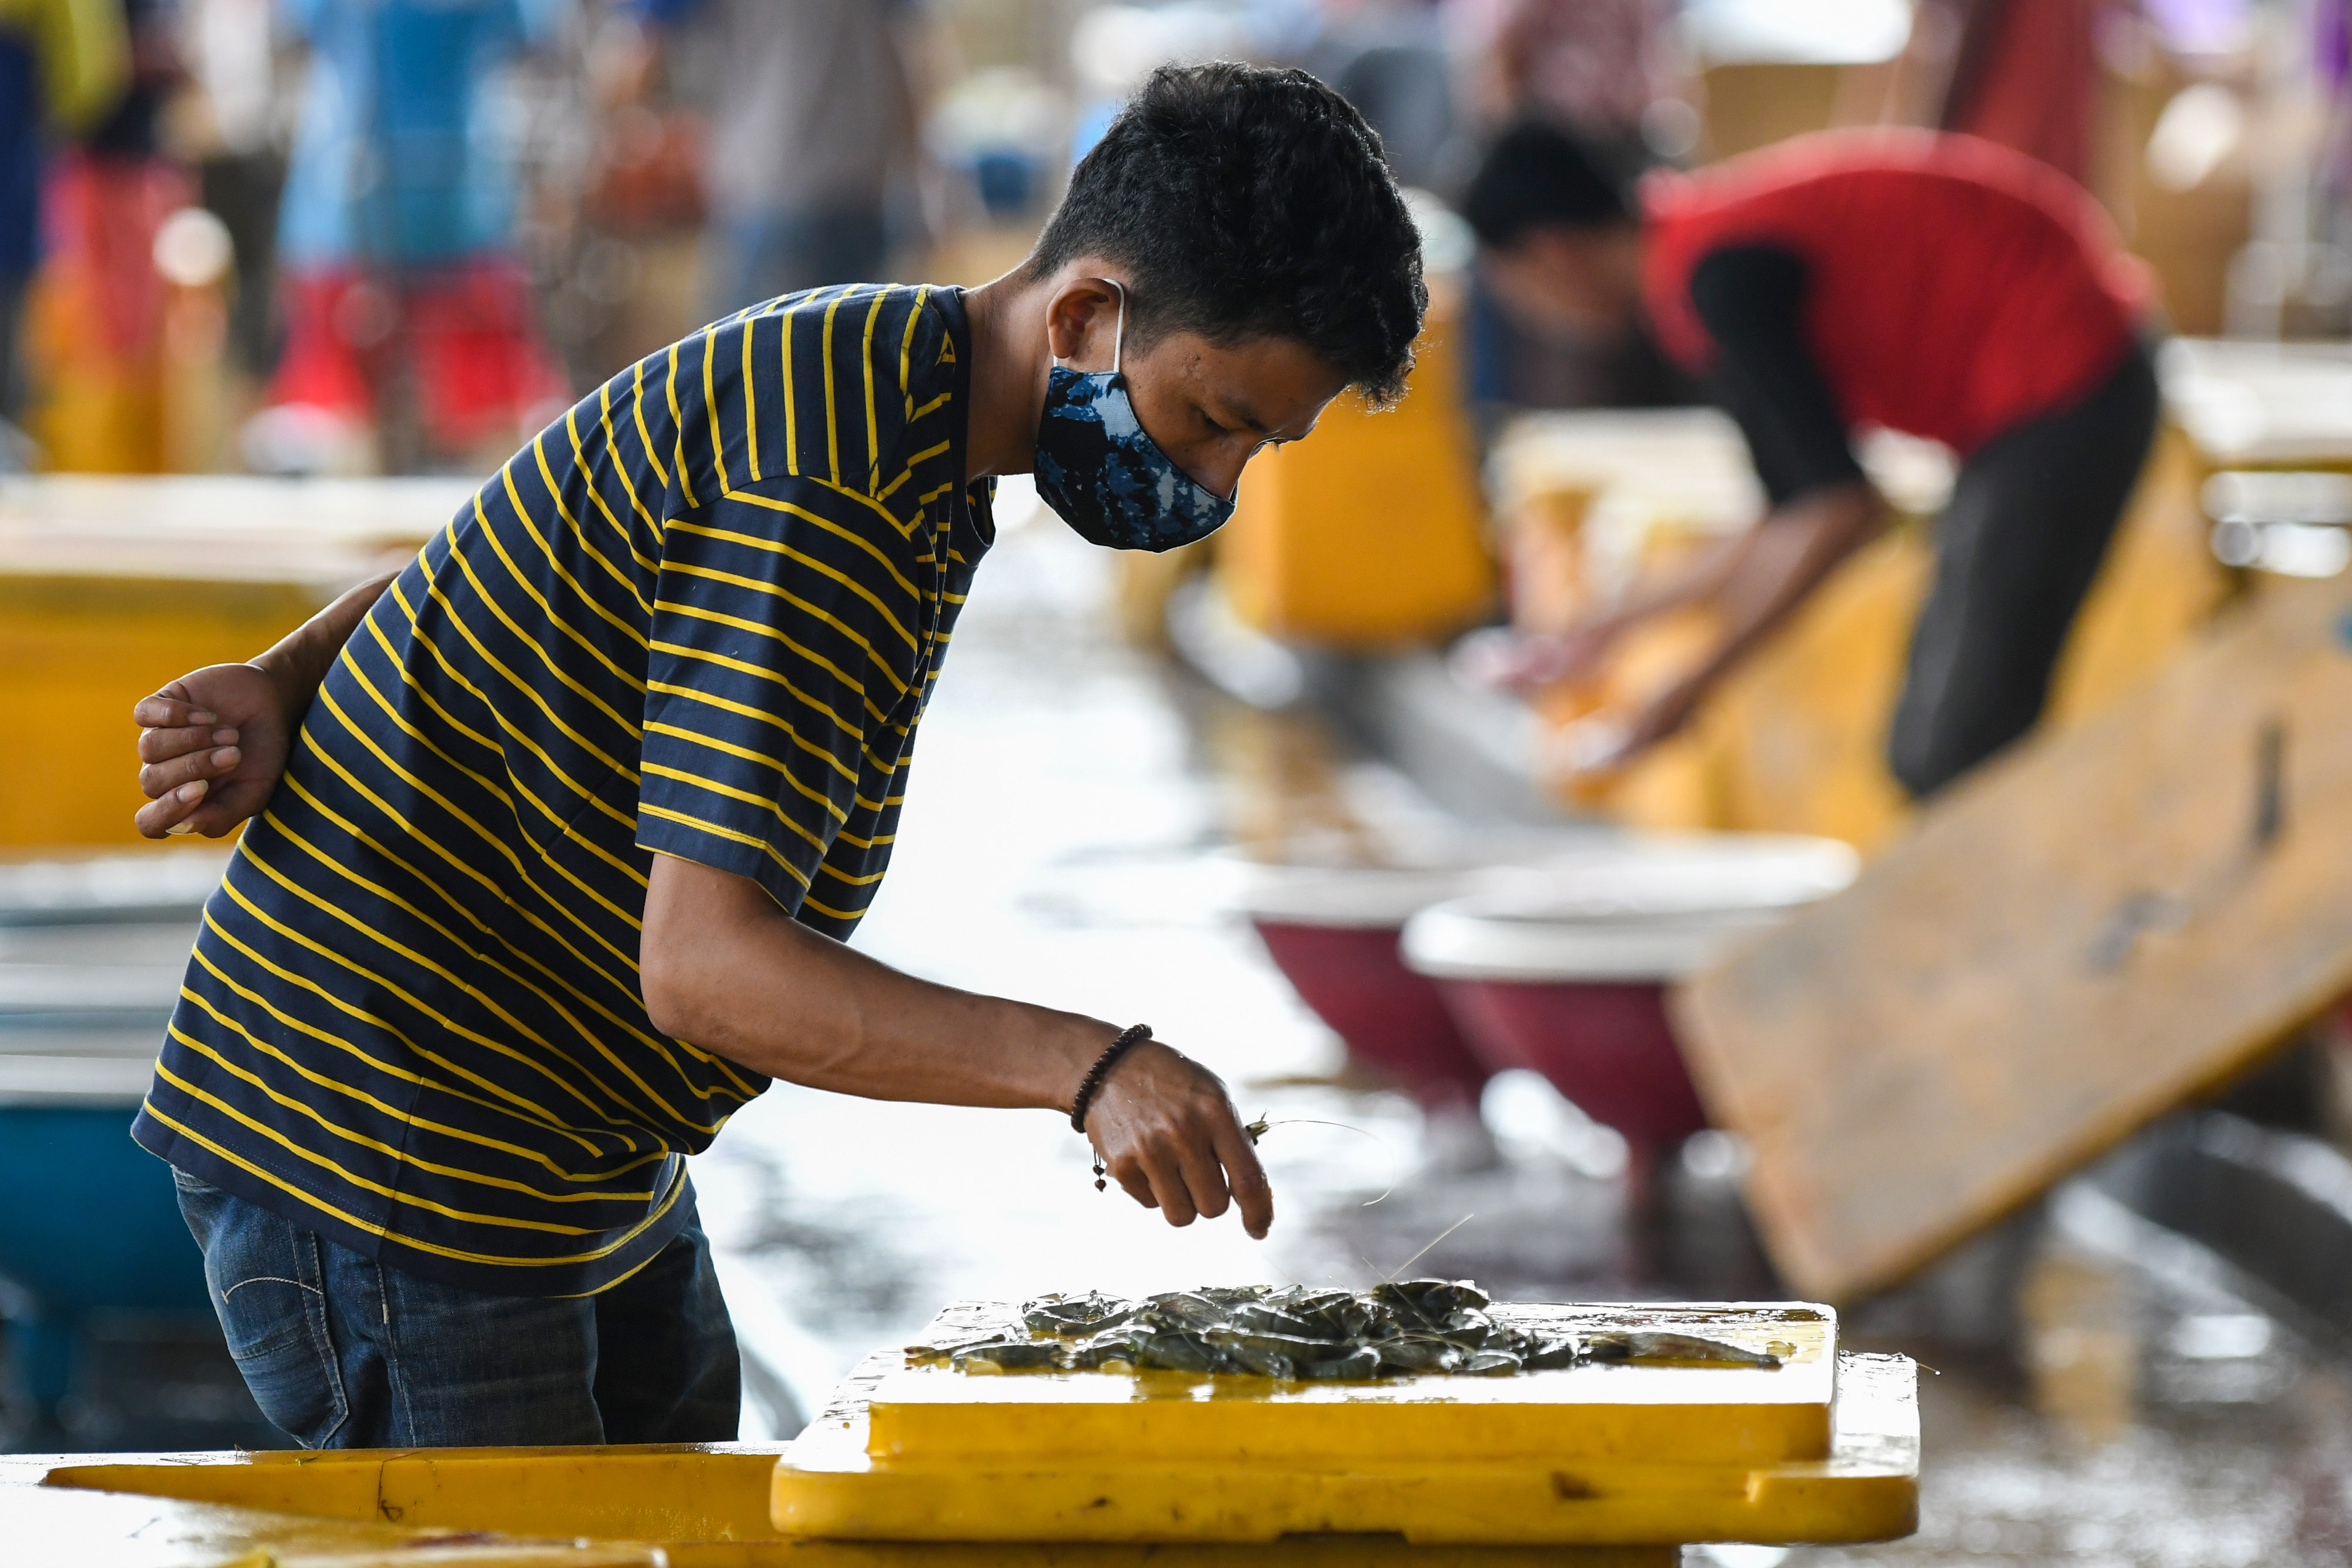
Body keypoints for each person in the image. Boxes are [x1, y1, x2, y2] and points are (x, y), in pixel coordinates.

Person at [128, 62, 1426, 1449]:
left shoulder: (883, 373)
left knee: (686, 1495)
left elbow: (542, 542)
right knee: (527, 1541)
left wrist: (291, 672)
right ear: (1084, 317)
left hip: (578, 1135)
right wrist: (1090, 1068)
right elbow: (705, 970)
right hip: (396, 1140)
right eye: (1214, 418)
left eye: (1258, 447)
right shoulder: (833, 480)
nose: (1216, 484)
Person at [1460, 123, 2159, 799]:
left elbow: (1841, 512)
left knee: (1952, 750)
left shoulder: (1719, 276)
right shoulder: (1698, 256)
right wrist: (1595, 634)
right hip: (2037, 397)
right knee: (1932, 746)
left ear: (1550, 254)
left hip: (2068, 379)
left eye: (1518, 291)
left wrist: (1679, 694)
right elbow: (1790, 515)